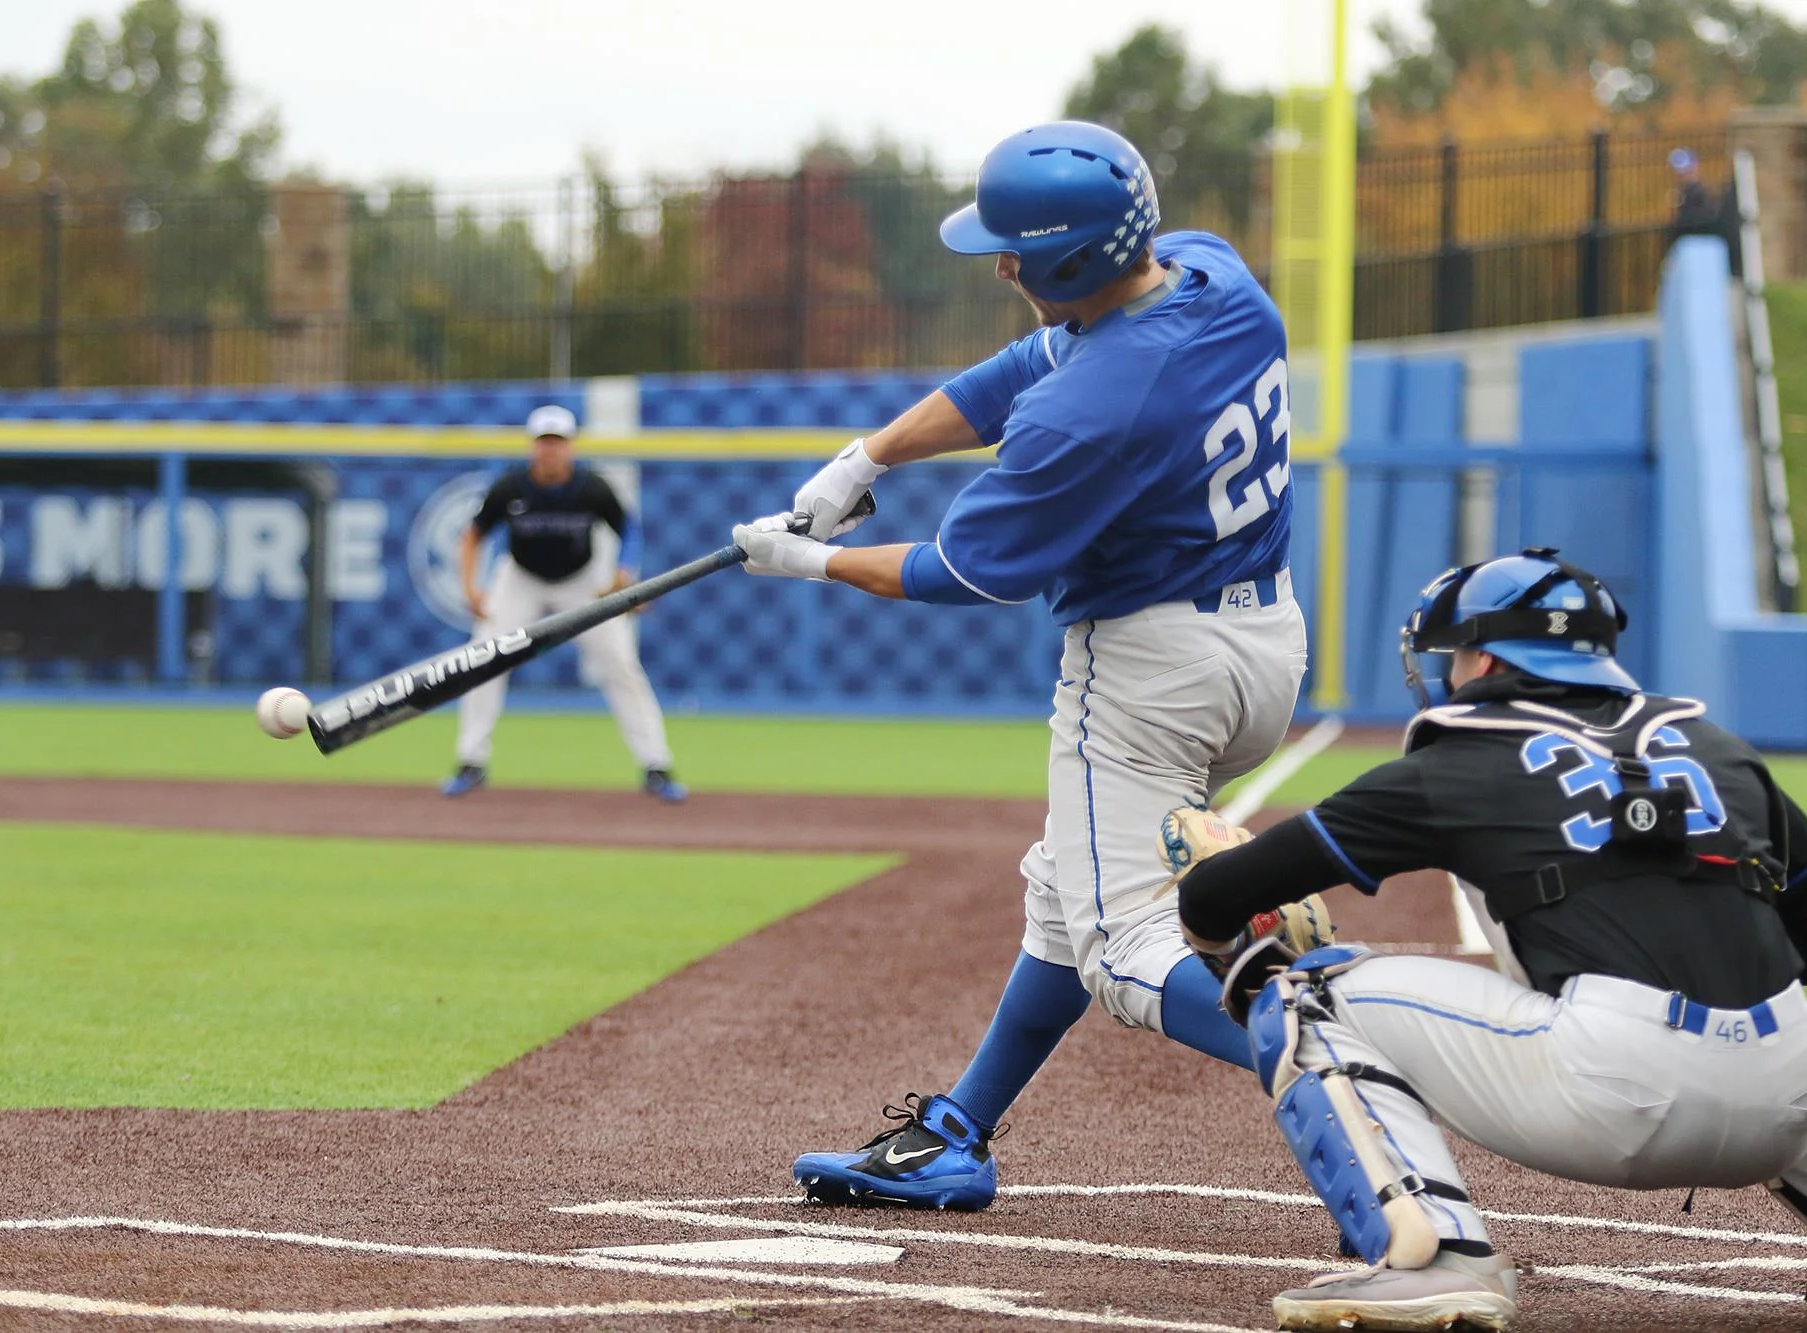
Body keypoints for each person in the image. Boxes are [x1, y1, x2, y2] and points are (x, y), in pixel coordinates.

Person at [728, 120, 1316, 1209]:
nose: (998, 266)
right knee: (1065, 888)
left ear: (1067, 261)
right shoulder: (1210, 276)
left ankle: (1332, 1061)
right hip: (1261, 646)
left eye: (1014, 252)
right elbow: (1022, 365)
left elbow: (964, 571)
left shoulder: (1091, 410)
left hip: (1149, 673)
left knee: (1115, 940)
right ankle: (959, 1126)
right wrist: (866, 456)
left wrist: (812, 560)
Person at [1171, 548, 1807, 1332]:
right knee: (1771, 1012)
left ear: (1488, 657)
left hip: (1618, 1091)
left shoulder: (1463, 755)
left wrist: (1234, 952)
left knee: (1308, 990)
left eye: (1456, 653)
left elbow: (1214, 895)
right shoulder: (1714, 746)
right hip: (1793, 1094)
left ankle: (1438, 1258)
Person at [441, 404, 687, 803]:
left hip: (583, 580)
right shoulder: (511, 487)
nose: (550, 450)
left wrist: (624, 572)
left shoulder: (591, 487)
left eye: (557, 442)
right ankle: (471, 761)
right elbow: (472, 536)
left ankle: (656, 766)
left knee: (621, 665)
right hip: (521, 578)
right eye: (544, 442)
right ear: (533, 447)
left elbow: (629, 529)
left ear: (570, 446)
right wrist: (470, 588)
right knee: (483, 659)